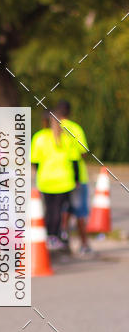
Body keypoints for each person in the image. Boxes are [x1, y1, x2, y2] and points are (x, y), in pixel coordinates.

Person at [30, 110, 76, 250]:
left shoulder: (39, 137)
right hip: (64, 180)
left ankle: (49, 235)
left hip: (46, 179)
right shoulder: (66, 138)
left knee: (49, 209)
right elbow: (74, 160)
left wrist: (41, 171)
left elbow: (34, 161)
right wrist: (77, 178)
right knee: (59, 209)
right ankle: (54, 236)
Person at [55, 100, 91, 255]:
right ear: (69, 112)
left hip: (57, 176)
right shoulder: (75, 128)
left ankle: (63, 240)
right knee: (80, 212)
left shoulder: (52, 129)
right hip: (77, 177)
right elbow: (83, 151)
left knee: (63, 210)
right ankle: (84, 244)